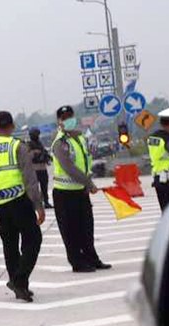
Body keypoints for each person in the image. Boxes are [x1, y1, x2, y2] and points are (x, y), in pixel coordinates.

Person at [0, 111, 44, 302]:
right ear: (12, 126)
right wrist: (38, 205)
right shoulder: (17, 146)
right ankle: (19, 280)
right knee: (33, 240)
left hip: (0, 203)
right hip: (19, 200)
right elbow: (30, 178)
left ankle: (19, 285)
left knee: (10, 245)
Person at [51, 105, 112, 273]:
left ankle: (92, 258)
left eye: (70, 116)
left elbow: (85, 162)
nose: (68, 120)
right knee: (71, 231)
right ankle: (77, 262)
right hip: (64, 193)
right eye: (64, 118)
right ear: (59, 121)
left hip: (80, 191)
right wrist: (89, 183)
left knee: (86, 227)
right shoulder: (60, 142)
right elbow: (69, 168)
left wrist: (86, 182)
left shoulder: (79, 139)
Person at [28, 127, 53, 209]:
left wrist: (45, 156)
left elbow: (44, 153)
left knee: (44, 187)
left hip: (42, 168)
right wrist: (36, 153)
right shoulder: (29, 144)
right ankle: (36, 204)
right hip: (34, 169)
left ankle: (46, 202)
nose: (37, 136)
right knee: (35, 189)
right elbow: (29, 156)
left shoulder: (40, 143)